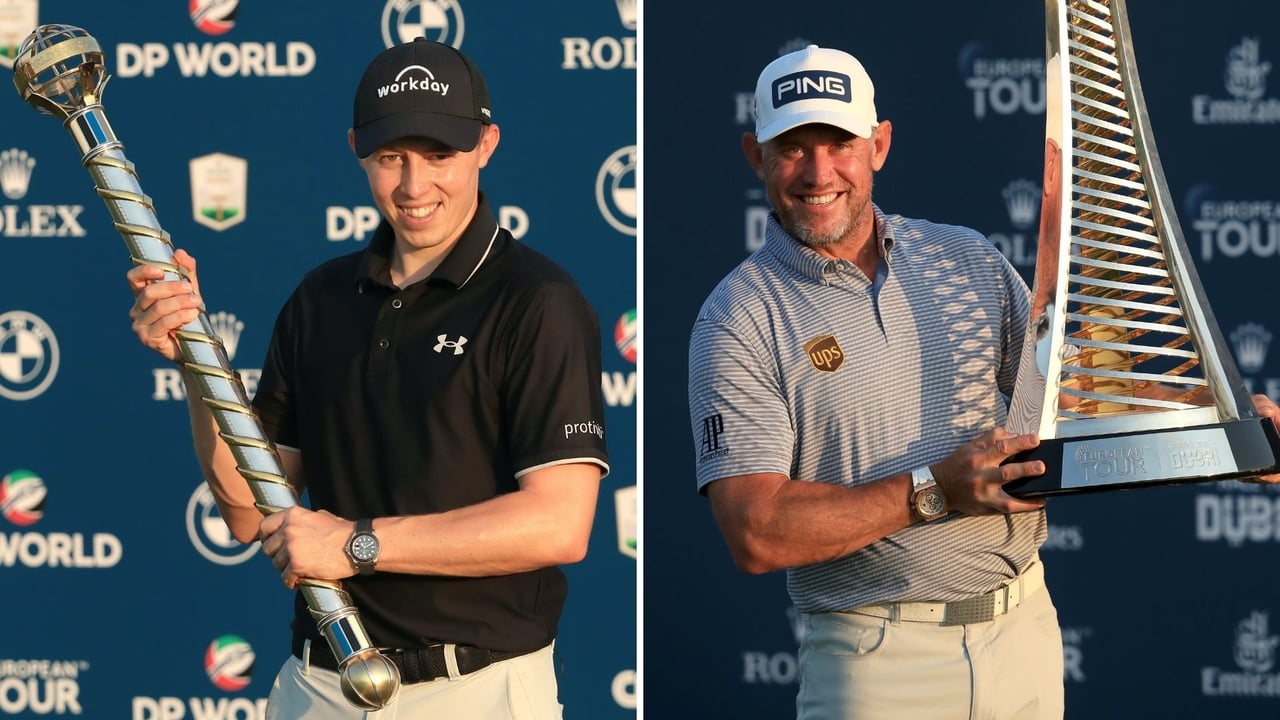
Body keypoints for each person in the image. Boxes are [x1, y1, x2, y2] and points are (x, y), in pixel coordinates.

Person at [686, 44, 1280, 720]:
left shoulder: (966, 259)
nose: (819, 172)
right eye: (792, 147)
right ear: (753, 154)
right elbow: (757, 532)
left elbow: (1067, 407)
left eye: (839, 143)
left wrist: (1218, 424)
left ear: (878, 145)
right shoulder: (736, 318)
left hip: (1023, 632)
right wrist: (934, 492)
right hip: (878, 663)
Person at [127, 38, 609, 719]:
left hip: (478, 689)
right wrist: (194, 357)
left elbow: (559, 525)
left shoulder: (537, 302)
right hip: (320, 684)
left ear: (487, 144)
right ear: (358, 148)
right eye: (391, 158)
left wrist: (357, 544)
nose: (414, 187)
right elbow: (245, 509)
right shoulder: (320, 299)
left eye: (439, 154)